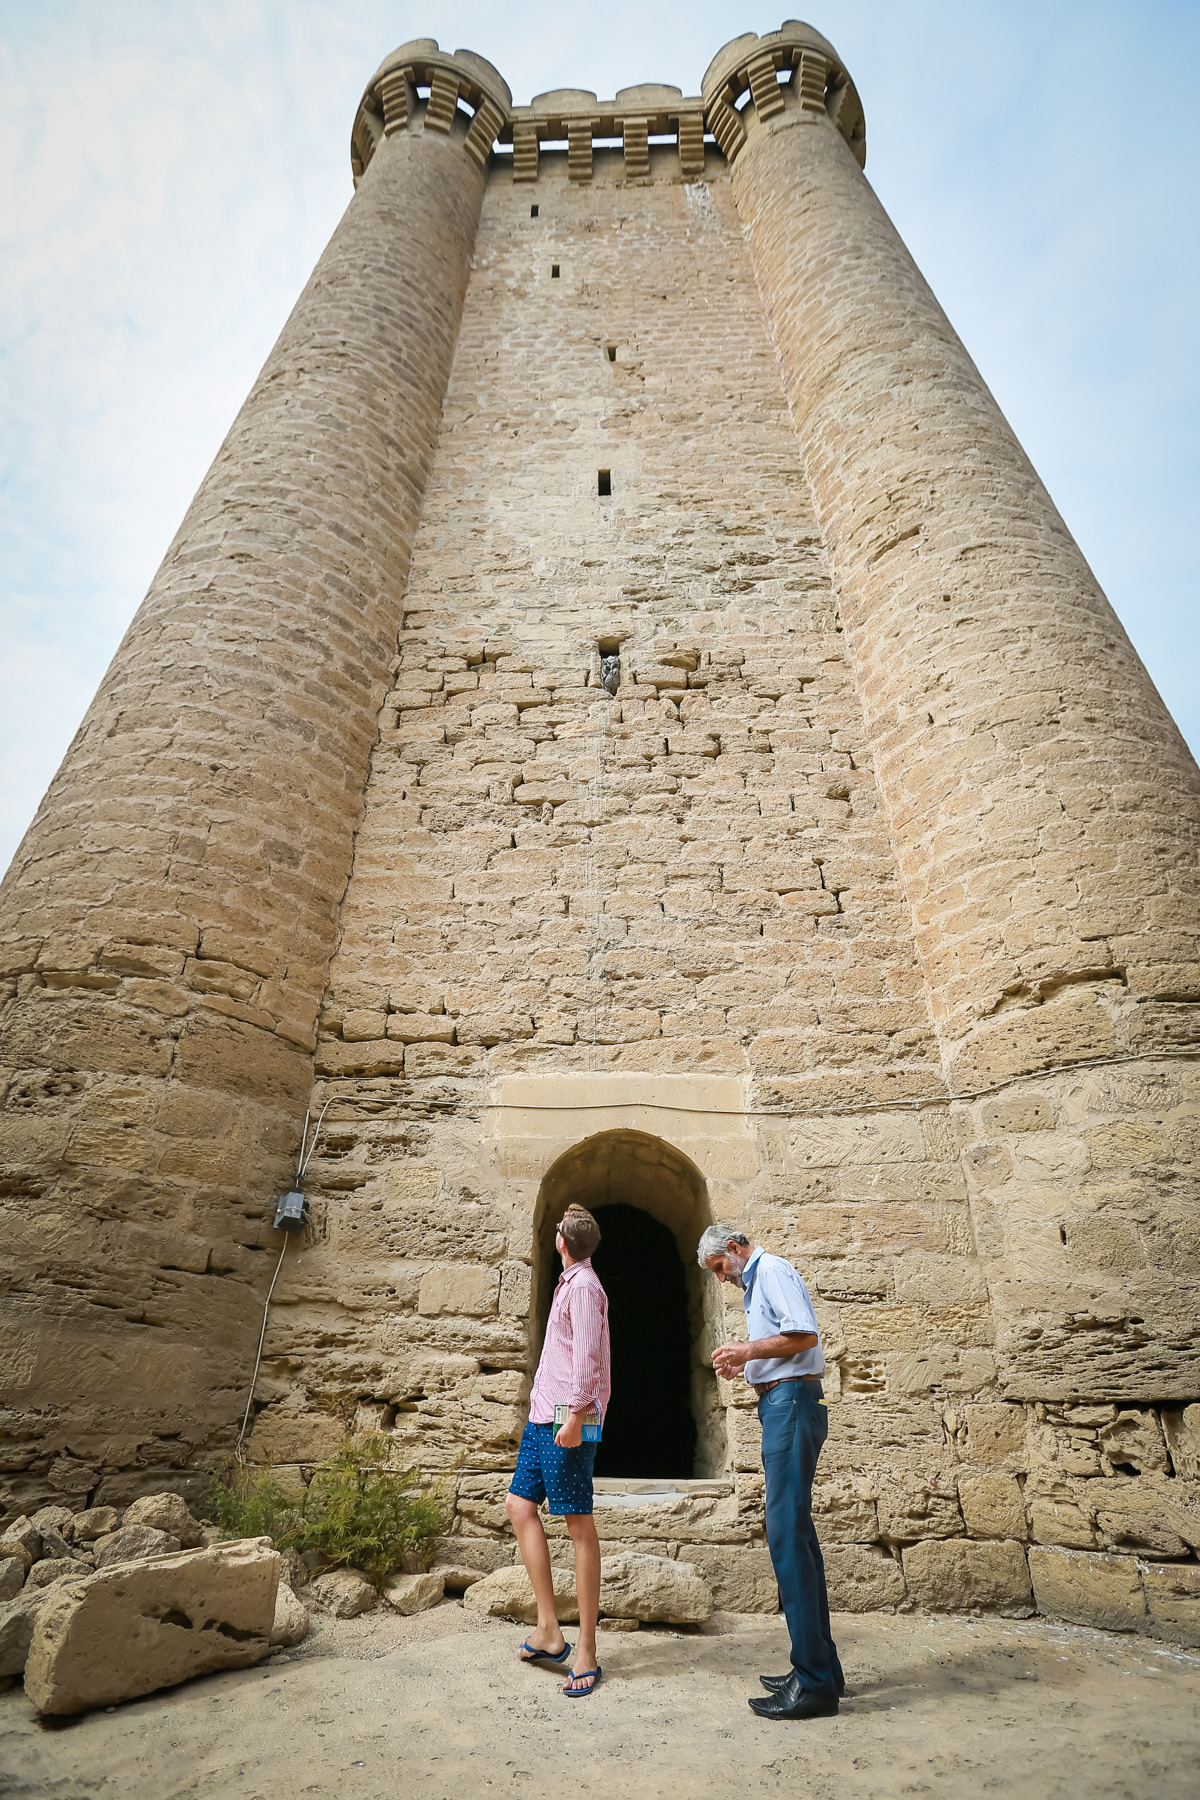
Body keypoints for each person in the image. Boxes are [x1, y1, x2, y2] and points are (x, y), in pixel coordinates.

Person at [698, 1224, 844, 1720]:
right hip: (783, 1403)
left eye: (720, 1268)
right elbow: (786, 1343)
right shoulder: (757, 1282)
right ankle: (821, 1669)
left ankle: (815, 1683)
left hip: (791, 1406)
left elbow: (804, 1334)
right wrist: (750, 1365)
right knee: (797, 1533)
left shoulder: (772, 1270)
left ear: (734, 1249)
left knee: (784, 1534)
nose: (722, 1279)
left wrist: (747, 1352)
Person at [505, 1203, 611, 1697]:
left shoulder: (586, 1288)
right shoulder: (571, 1282)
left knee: (577, 1523)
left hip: (567, 1420)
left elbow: (589, 1355)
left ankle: (586, 1650)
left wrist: (574, 1417)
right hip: (542, 1416)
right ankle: (549, 1630)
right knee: (519, 1506)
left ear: (562, 1243)